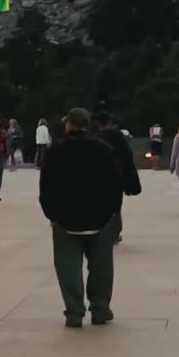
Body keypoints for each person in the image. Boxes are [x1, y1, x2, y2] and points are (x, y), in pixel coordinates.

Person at [40, 108, 125, 328]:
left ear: (68, 125)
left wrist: (52, 214)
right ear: (87, 125)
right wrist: (112, 212)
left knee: (68, 268)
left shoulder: (54, 151)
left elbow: (46, 187)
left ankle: (74, 312)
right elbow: (116, 183)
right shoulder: (103, 149)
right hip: (100, 218)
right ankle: (100, 308)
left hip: (65, 218)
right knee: (102, 267)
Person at [94, 111, 140, 244]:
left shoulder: (97, 138)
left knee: (103, 203)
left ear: (98, 124)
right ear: (109, 122)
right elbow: (127, 154)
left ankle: (103, 230)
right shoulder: (118, 135)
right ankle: (115, 232)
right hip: (117, 174)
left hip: (101, 175)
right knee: (116, 205)